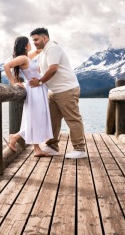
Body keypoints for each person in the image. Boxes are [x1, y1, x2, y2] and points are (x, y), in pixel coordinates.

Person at [28, 27, 87, 159]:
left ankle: (80, 149)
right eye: (33, 41)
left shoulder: (52, 48)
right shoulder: (43, 51)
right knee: (51, 120)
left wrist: (40, 81)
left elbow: (53, 69)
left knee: (72, 119)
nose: (35, 43)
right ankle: (52, 147)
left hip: (66, 90)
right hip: (54, 91)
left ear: (45, 38)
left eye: (36, 39)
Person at [3, 36, 54, 157]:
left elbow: (38, 51)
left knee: (37, 118)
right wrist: (13, 82)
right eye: (30, 43)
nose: (32, 44)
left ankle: (35, 148)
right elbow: (6, 66)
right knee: (36, 118)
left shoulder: (26, 58)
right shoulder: (22, 58)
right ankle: (15, 137)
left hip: (39, 90)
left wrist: (51, 44)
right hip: (34, 91)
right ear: (26, 45)